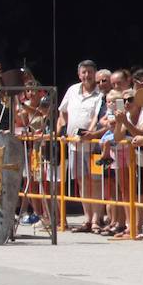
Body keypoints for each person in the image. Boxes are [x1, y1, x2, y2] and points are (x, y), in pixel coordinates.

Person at [58, 60, 106, 232]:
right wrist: (63, 130)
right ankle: (87, 218)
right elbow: (62, 111)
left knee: (96, 181)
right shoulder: (72, 90)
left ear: (95, 73)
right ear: (79, 74)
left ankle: (96, 219)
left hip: (94, 146)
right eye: (84, 72)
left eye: (90, 72)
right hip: (74, 146)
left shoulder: (101, 93)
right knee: (82, 182)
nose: (87, 75)